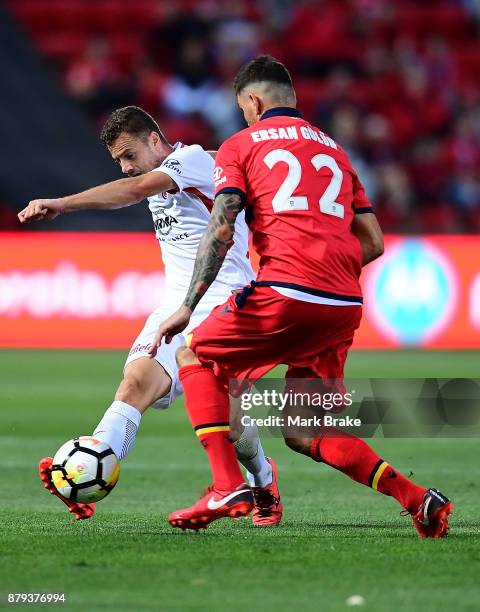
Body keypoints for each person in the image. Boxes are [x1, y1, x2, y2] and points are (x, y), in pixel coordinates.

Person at [152, 56, 453, 537]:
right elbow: (373, 241)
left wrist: (188, 305)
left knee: (193, 352)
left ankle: (226, 483)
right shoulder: (335, 151)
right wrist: (327, 269)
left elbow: (222, 224)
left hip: (286, 290)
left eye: (245, 109)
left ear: (253, 102)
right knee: (304, 430)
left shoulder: (239, 144)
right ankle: (418, 499)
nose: (247, 117)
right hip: (342, 303)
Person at [18, 105, 282, 527]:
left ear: (155, 140)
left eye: (128, 156)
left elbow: (136, 188)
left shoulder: (187, 160)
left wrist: (63, 204)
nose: (126, 168)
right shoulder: (199, 164)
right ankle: (86, 474)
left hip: (227, 300)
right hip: (176, 304)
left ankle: (263, 479)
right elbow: (212, 164)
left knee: (232, 428)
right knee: (135, 384)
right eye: (119, 161)